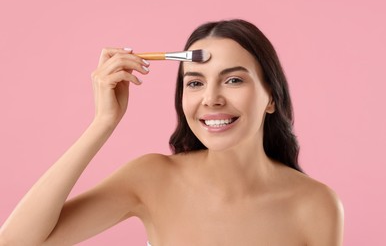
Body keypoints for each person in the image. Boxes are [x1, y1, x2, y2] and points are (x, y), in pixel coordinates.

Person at [0, 19, 344, 246]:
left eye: (234, 79)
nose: (211, 98)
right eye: (195, 82)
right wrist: (102, 123)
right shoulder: (151, 178)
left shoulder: (315, 205)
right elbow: (15, 242)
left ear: (271, 97)